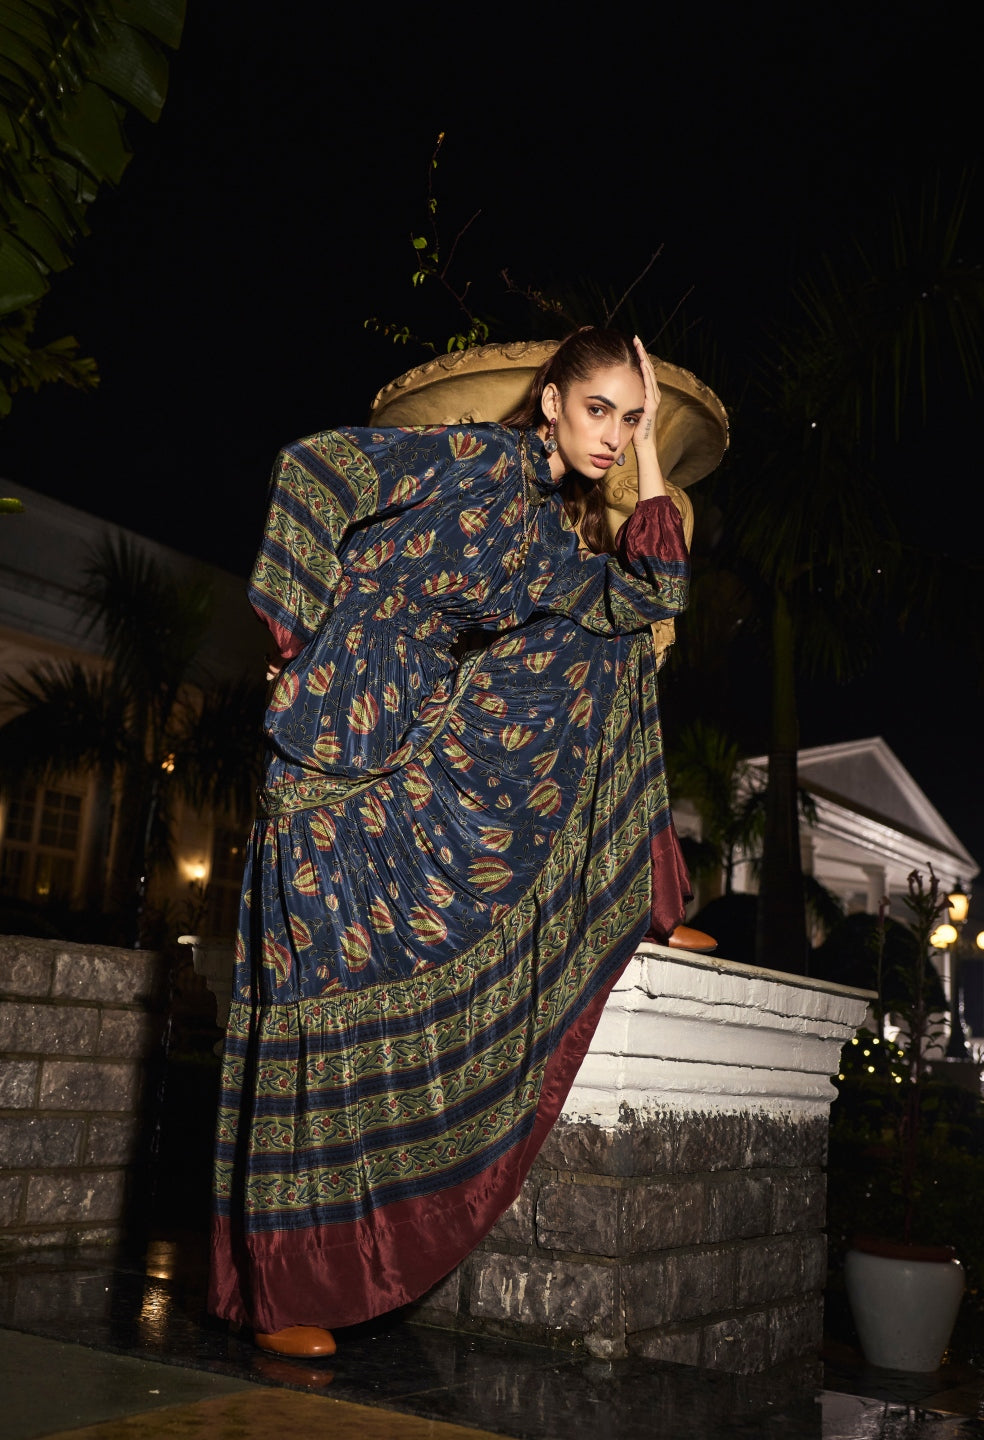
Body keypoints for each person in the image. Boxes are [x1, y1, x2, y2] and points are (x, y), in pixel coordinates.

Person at [209, 329, 692, 1358]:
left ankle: (309, 1275)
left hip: (413, 735)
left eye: (630, 418)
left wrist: (655, 453)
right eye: (598, 410)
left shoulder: (551, 536)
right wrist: (303, 634)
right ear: (551, 402)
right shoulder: (473, 456)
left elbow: (652, 595)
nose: (612, 434)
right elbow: (314, 469)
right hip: (337, 732)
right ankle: (282, 1290)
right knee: (314, 992)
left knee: (609, 648)